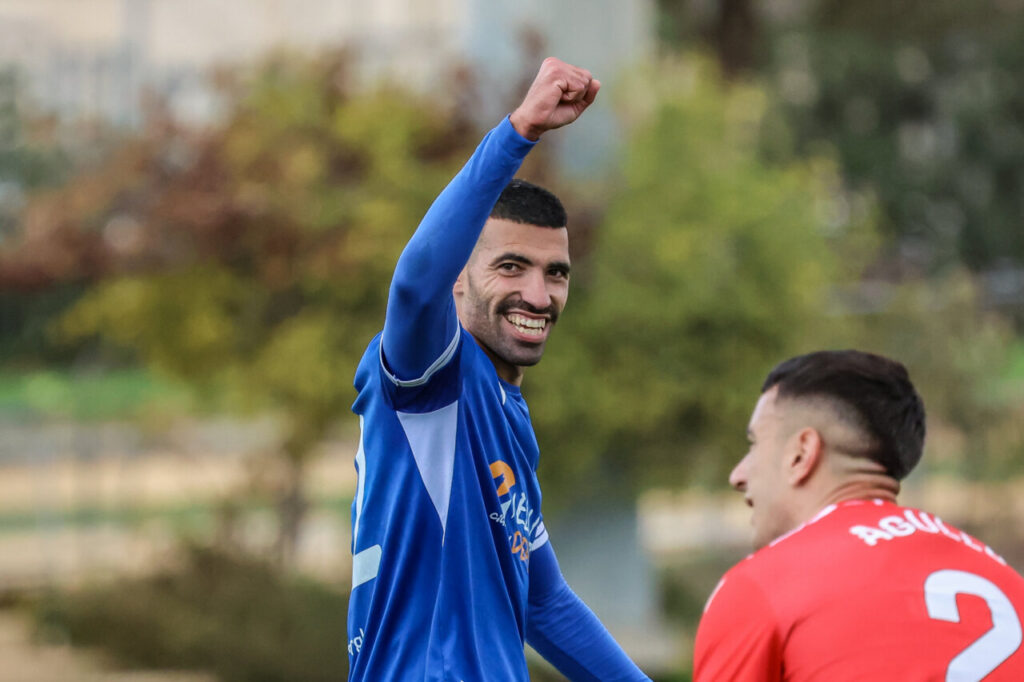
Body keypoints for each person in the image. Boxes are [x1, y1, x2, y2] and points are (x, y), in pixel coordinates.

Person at [347, 58, 649, 681]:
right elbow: (411, 286)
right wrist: (519, 133)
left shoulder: (508, 420)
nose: (538, 296)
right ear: (458, 280)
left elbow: (546, 601)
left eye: (555, 273)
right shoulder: (433, 380)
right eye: (510, 267)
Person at [693, 349, 1024, 681]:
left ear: (800, 453)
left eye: (754, 444)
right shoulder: (1009, 584)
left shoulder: (762, 586)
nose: (738, 475)